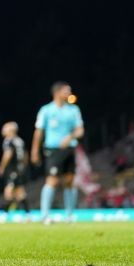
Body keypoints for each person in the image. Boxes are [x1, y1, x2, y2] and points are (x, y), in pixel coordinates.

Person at [31, 81, 85, 224]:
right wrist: (34, 150)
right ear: (57, 93)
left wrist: (70, 136)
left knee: (69, 181)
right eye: (66, 91)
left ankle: (70, 214)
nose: (68, 93)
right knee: (52, 180)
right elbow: (39, 131)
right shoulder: (46, 110)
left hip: (69, 149)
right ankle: (45, 215)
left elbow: (80, 130)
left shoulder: (73, 110)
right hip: (53, 149)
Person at [0, 122, 29, 213]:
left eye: (4, 128)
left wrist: (1, 167)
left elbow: (8, 154)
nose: (2, 131)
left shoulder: (8, 141)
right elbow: (26, 155)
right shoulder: (20, 141)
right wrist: (24, 167)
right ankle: (28, 214)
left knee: (8, 191)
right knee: (20, 192)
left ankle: (4, 213)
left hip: (12, 169)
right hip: (21, 169)